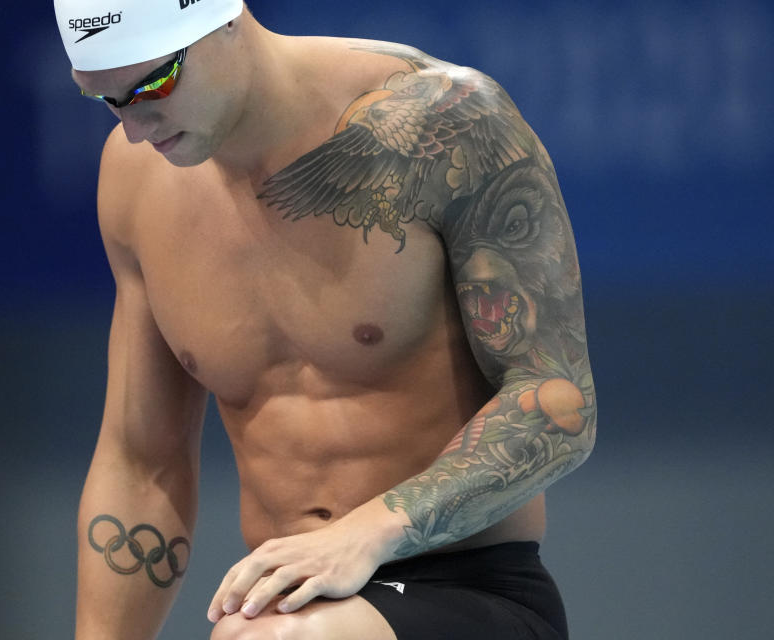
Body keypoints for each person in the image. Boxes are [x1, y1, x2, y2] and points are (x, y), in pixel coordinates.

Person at [52, 1, 596, 638]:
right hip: (292, 601)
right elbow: (142, 463)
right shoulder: (132, 179)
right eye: (106, 99)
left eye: (153, 85)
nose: (136, 126)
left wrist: (365, 534)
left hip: (474, 589)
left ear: (225, 18)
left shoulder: (441, 122)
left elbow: (558, 403)